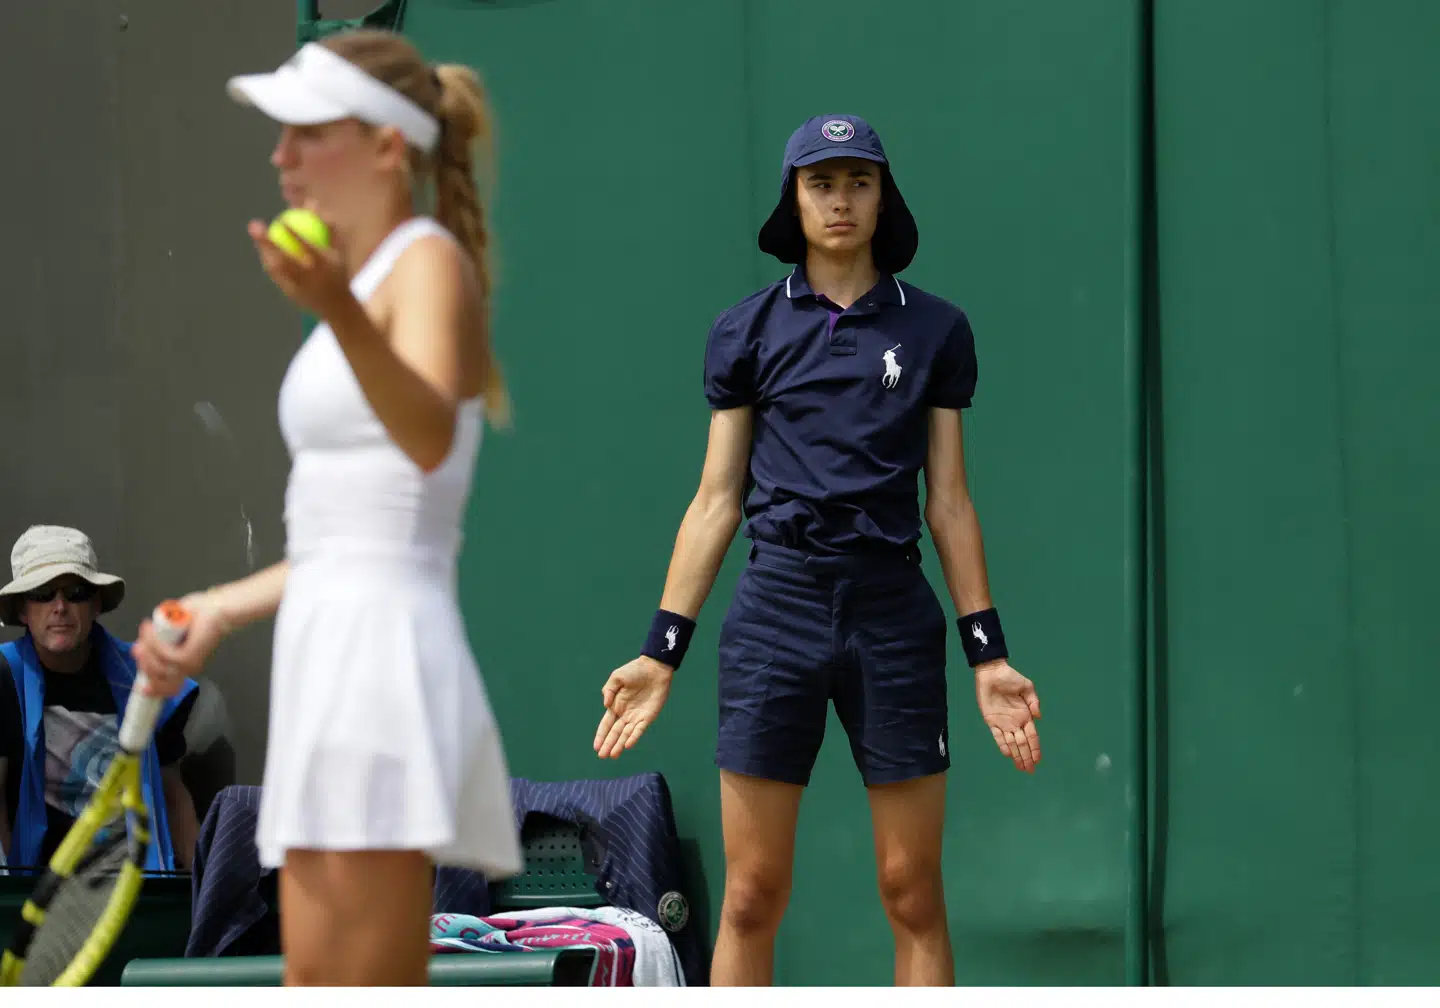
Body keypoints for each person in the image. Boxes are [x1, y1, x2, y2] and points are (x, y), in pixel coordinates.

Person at [594, 115, 1043, 986]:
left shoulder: (935, 331)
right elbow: (716, 499)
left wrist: (988, 656)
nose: (841, 200)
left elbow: (948, 503)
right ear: (793, 200)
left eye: (859, 182)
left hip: (892, 615)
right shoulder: (746, 330)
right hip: (777, 613)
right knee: (753, 894)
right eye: (820, 183)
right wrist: (661, 650)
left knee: (911, 889)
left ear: (885, 196)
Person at [132, 30, 522, 986]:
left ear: (387, 147)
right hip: (328, 634)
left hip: (383, 650)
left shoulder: (427, 263)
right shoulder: (366, 284)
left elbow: (427, 437)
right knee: (314, 984)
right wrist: (221, 607)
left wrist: (339, 310)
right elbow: (348, 534)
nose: (281, 155)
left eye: (307, 131)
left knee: (368, 988)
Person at [0, 524, 199, 872]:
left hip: (136, 883)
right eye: (43, 593)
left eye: (75, 592)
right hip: (37, 888)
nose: (59, 606)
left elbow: (172, 795)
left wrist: (203, 889)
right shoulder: (4, 674)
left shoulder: (145, 674)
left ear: (95, 605)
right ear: (21, 610)